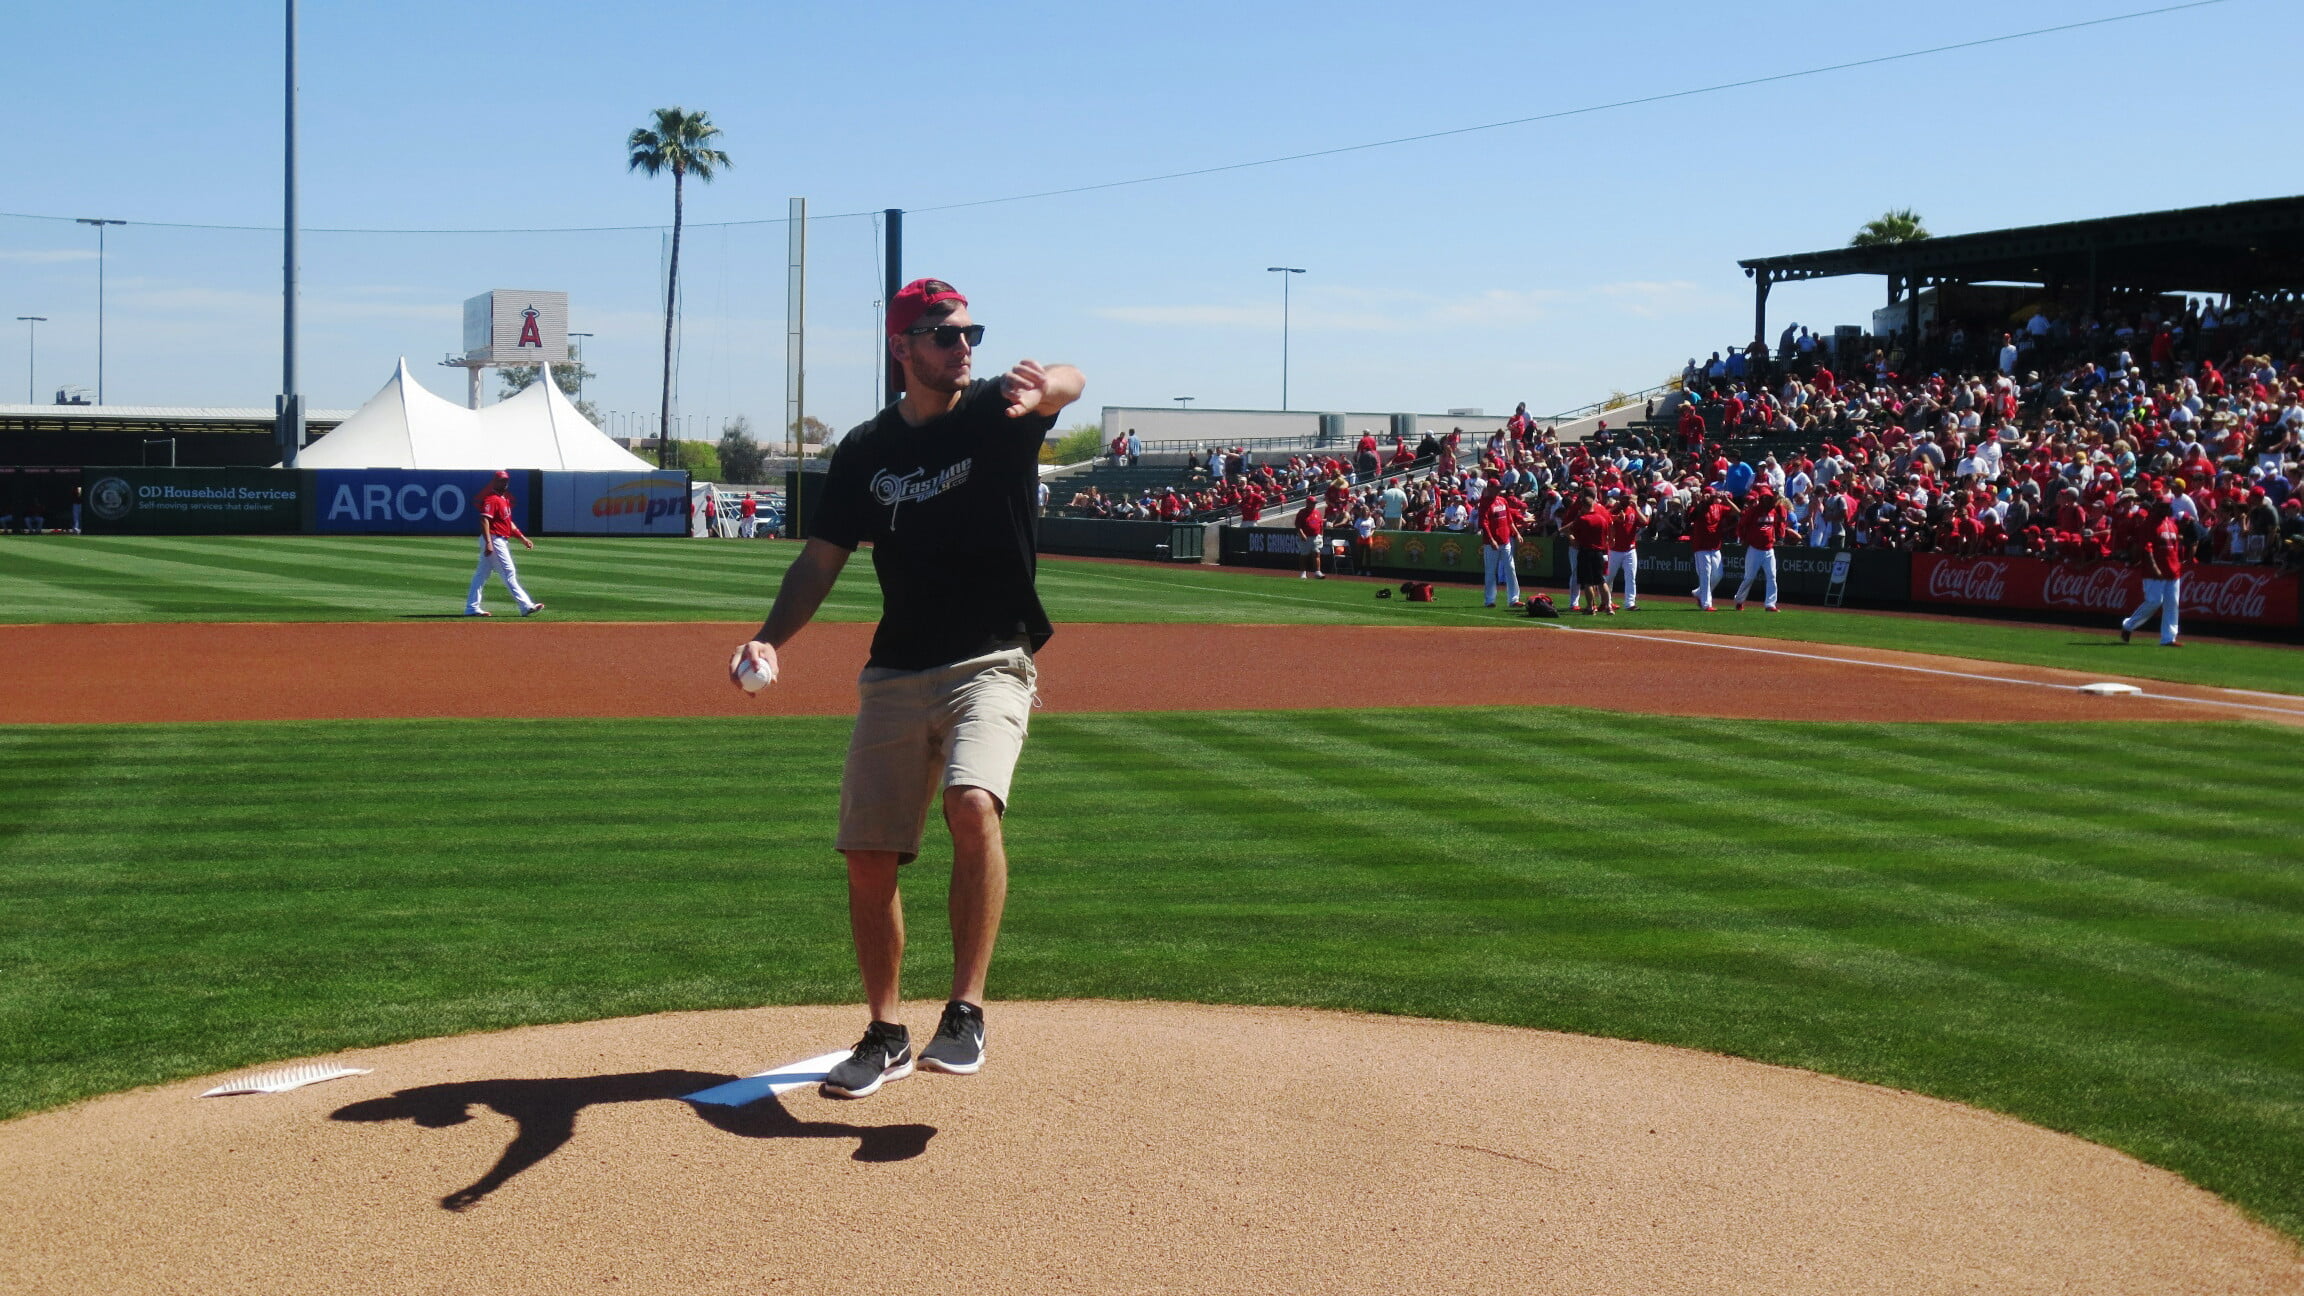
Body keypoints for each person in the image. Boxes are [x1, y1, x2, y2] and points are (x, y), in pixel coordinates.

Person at [726, 278, 1083, 1098]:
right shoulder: (863, 452)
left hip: (992, 658)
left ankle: (965, 1010)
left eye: (970, 333)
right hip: (894, 671)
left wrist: (1047, 388)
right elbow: (820, 560)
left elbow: (1072, 376)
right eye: (943, 334)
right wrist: (768, 637)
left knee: (972, 804)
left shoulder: (998, 410)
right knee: (867, 857)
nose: (964, 347)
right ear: (901, 348)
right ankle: (886, 1031)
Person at [465, 471, 544, 617]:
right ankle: (526, 606)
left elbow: (509, 523)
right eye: (501, 480)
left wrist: (522, 538)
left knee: (481, 574)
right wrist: (489, 542)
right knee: (509, 572)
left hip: (498, 538)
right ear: (494, 482)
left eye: (506, 481)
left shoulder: (504, 500)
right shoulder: (491, 499)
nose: (504, 483)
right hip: (494, 539)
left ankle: (471, 608)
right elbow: (484, 520)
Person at [2120, 498, 2184, 646]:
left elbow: (2174, 548)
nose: (2165, 509)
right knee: (2154, 601)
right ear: (2156, 507)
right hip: (2153, 571)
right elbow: (2147, 549)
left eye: (2167, 506)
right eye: (2162, 506)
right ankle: (2128, 625)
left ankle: (2168, 638)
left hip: (2173, 570)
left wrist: (2177, 565)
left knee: (2172, 604)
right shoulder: (2148, 524)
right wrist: (2155, 568)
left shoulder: (2171, 523)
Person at [1732, 487, 1789, 611]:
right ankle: (1739, 601)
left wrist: (1779, 537)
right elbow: (1741, 525)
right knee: (1749, 577)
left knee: (1772, 576)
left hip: (1769, 549)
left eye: (1768, 498)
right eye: (1764, 498)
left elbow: (1779, 524)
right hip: (1754, 549)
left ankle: (1770, 604)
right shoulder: (1753, 511)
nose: (1766, 500)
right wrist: (1743, 538)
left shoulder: (1773, 511)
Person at [1476, 473, 1524, 608]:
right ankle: (1489, 600)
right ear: (1490, 488)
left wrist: (1517, 533)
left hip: (1506, 540)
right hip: (1491, 544)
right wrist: (1491, 540)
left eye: (1499, 488)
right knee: (1491, 571)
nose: (1498, 490)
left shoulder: (1502, 500)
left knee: (1511, 569)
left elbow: (1509, 519)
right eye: (1496, 488)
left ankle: (1514, 599)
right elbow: (1484, 524)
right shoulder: (1484, 503)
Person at [1565, 488, 1613, 615]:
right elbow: (1608, 533)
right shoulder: (1602, 519)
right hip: (1599, 552)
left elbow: (1569, 530)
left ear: (1584, 506)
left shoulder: (1583, 519)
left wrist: (1572, 538)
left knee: (1587, 582)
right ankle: (1608, 606)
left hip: (1586, 551)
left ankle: (1590, 607)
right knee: (1601, 580)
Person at [1688, 488, 1735, 611]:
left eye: (1712, 495)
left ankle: (1699, 593)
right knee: (1705, 575)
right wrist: (1700, 502)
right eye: (1709, 495)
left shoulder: (1718, 507)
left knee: (1718, 575)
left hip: (1715, 546)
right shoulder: (1699, 507)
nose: (1711, 497)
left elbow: (1737, 513)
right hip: (1701, 547)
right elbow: (1691, 517)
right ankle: (1706, 604)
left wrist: (1727, 500)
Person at [1604, 491, 1646, 611]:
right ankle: (1606, 601)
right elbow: (1603, 518)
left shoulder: (1633, 510)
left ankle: (1630, 603)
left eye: (1628, 498)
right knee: (1609, 577)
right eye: (1625, 498)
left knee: (1631, 576)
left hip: (1630, 549)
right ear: (1620, 498)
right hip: (1615, 549)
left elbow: (1645, 522)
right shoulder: (1614, 509)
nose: (1627, 500)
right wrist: (1613, 510)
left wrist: (1637, 509)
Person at [1296, 495, 1327, 579]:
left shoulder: (1317, 512)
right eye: (1312, 503)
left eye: (1314, 503)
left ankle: (1317, 572)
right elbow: (1298, 525)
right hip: (1305, 537)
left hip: (1316, 536)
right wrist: (1302, 534)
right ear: (1308, 503)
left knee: (1317, 553)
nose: (1314, 505)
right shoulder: (1302, 512)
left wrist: (1321, 535)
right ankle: (1303, 573)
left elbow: (1320, 525)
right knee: (1304, 555)